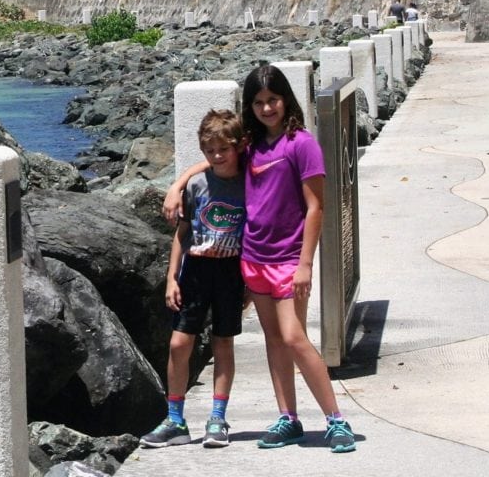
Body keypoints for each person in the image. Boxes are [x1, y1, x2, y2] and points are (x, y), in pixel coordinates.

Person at [163, 65, 357, 454]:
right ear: (250, 107)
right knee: (273, 341)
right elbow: (215, 159)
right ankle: (289, 417)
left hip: (288, 258)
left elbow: (316, 206)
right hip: (253, 258)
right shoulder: (250, 144)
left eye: (273, 99)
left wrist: (305, 264)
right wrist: (178, 184)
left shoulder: (301, 143)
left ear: (286, 99)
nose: (267, 108)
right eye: (258, 102)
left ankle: (336, 420)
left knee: (294, 337)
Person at [140, 110, 246, 449]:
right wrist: (172, 278)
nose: (217, 156)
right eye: (210, 151)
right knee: (178, 343)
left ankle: (218, 417)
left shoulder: (248, 183)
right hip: (196, 270)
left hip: (231, 270)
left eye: (223, 149)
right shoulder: (197, 185)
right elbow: (182, 234)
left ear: (237, 147)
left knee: (223, 342)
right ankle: (175, 419)